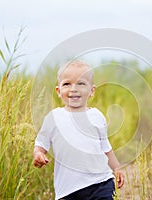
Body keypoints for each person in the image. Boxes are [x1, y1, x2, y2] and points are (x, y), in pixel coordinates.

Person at [33, 60, 124, 200]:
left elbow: (106, 148)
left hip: (100, 183)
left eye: (81, 83)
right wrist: (38, 154)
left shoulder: (96, 116)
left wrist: (116, 168)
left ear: (91, 90)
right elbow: (41, 144)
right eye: (67, 84)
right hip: (68, 190)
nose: (74, 89)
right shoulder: (54, 118)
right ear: (58, 91)